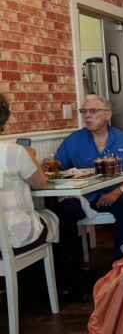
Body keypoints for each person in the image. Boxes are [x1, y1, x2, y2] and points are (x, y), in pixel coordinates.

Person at [54, 95, 123, 260]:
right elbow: (58, 168)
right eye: (84, 111)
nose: (87, 115)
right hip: (84, 196)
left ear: (107, 115)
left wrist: (117, 192)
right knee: (63, 212)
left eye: (93, 111)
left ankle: (121, 263)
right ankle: (70, 271)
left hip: (117, 193)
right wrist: (49, 166)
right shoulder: (73, 140)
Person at [0, 94, 58, 255]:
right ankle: (62, 276)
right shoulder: (13, 152)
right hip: (13, 239)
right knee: (54, 216)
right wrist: (30, 156)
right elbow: (41, 183)